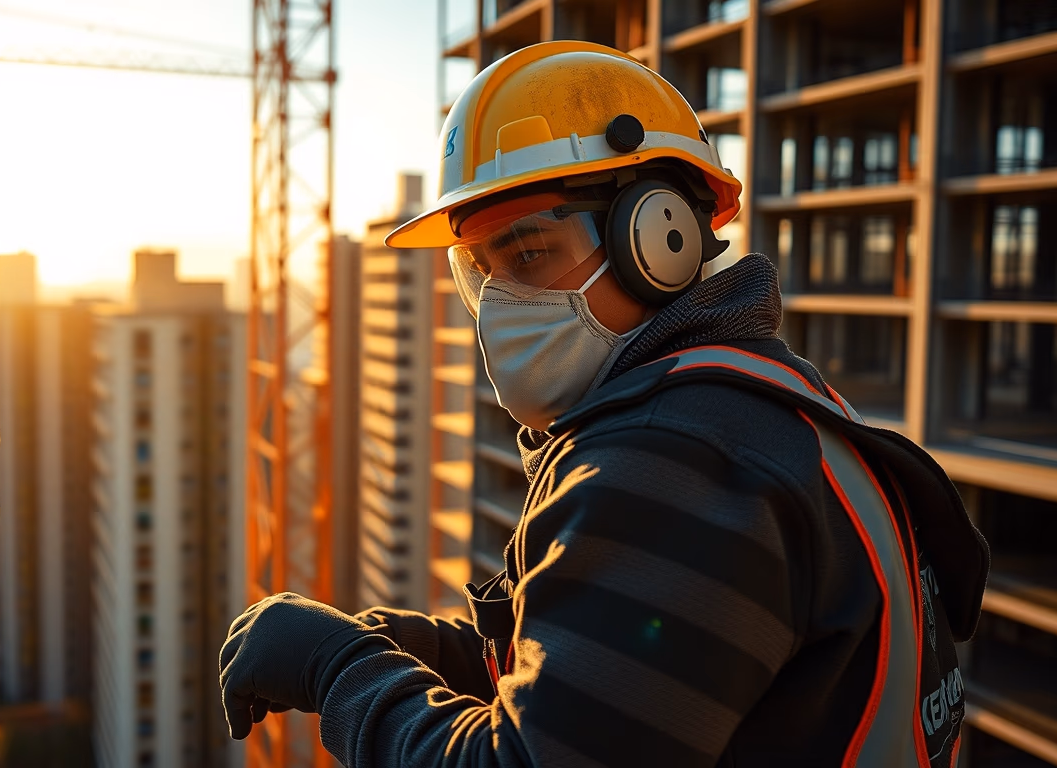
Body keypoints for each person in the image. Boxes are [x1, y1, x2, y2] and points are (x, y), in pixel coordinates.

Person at [219, 41, 989, 767]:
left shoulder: (677, 462)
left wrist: (338, 667)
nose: (500, 305)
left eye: (528, 254)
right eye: (480, 270)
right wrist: (416, 654)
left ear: (660, 238)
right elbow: (610, 682)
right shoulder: (759, 410)